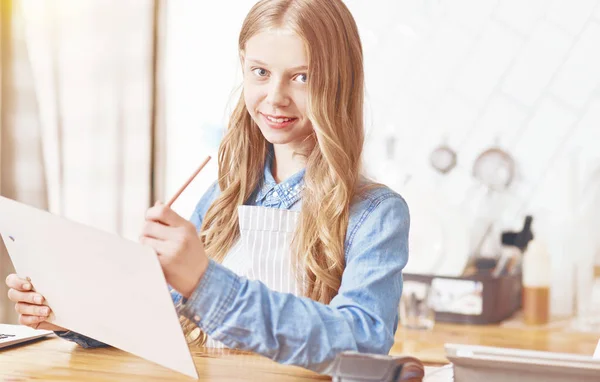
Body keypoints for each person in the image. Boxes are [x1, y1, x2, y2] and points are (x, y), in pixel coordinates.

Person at [5, 0, 410, 375]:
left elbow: (364, 342)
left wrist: (204, 281)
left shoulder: (377, 213)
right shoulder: (221, 196)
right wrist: (69, 311)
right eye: (260, 72)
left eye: (302, 77)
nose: (275, 97)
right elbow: (153, 315)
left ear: (340, 81)